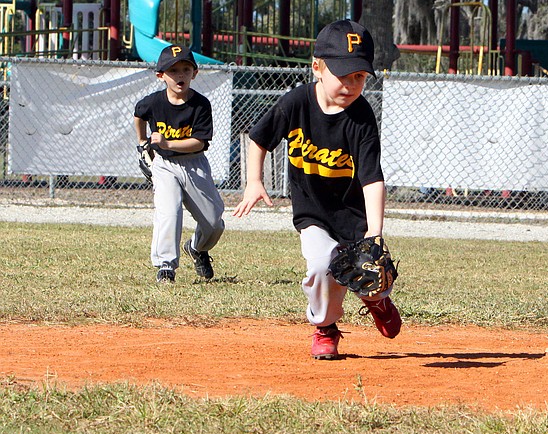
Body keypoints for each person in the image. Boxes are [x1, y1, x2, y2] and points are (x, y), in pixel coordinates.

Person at [233, 19, 401, 360]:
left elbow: (372, 177)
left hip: (353, 213)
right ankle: (325, 328)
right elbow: (259, 138)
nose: (352, 84)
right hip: (312, 211)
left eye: (359, 76)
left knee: (366, 271)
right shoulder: (296, 103)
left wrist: (375, 231)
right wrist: (254, 181)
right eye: (343, 74)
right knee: (321, 263)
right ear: (317, 68)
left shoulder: (362, 116)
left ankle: (376, 301)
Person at [134, 45, 225, 283]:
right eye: (173, 70)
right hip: (164, 165)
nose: (180, 75)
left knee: (214, 223)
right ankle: (166, 266)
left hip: (194, 164)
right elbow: (138, 114)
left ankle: (196, 247)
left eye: (186, 69)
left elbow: (199, 143)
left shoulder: (201, 104)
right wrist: (142, 142)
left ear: (194, 73)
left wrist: (167, 143)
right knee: (169, 213)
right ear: (160, 75)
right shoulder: (153, 102)